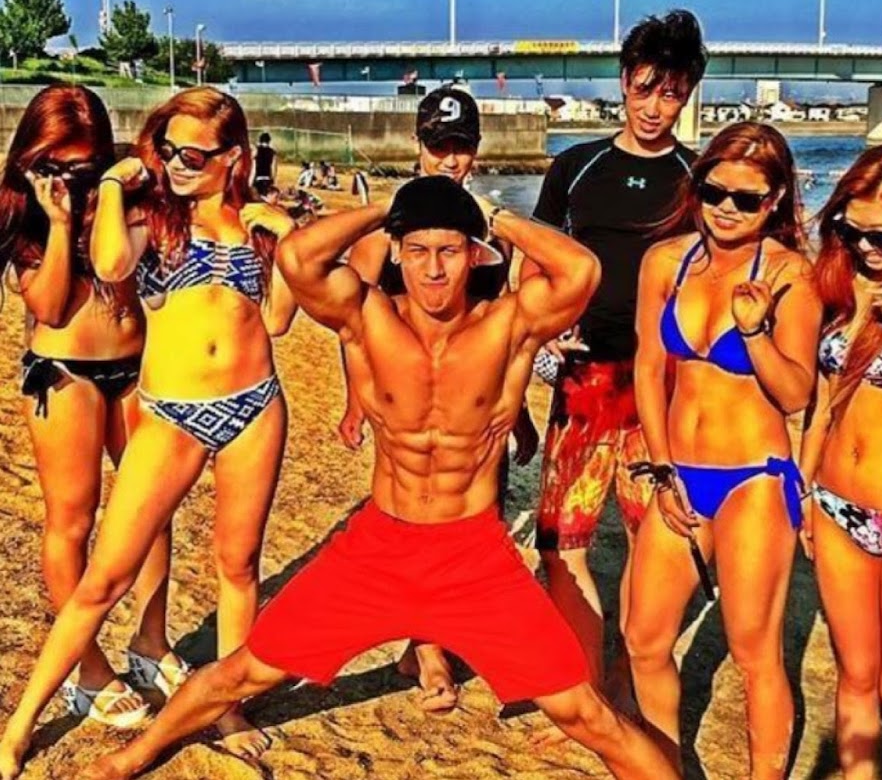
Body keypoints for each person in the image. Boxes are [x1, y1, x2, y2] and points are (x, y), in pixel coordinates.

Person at [75, 175, 678, 780]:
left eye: (449, 251)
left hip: (474, 557)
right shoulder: (367, 317)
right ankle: (132, 757)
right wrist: (391, 206)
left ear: (475, 255)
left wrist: (492, 216)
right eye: (417, 250)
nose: (433, 270)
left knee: (586, 715)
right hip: (377, 549)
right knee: (242, 672)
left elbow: (581, 270)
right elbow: (298, 256)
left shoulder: (509, 325)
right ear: (395, 251)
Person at [0, 88, 300, 776]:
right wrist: (112, 183)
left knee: (238, 566)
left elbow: (278, 319)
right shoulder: (155, 216)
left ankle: (226, 706)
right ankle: (20, 723)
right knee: (104, 574)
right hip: (171, 412)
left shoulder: (256, 225)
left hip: (255, 405)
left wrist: (285, 235)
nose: (176, 164)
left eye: (192, 154)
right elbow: (110, 265)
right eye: (167, 150)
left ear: (233, 157)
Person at [625, 122, 821, 775]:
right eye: (715, 192)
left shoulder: (790, 275)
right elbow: (648, 369)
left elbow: (795, 394)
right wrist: (661, 468)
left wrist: (755, 333)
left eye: (747, 198)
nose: (727, 209)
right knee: (644, 639)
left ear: (775, 200)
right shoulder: (666, 262)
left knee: (753, 651)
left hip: (753, 480)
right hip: (679, 472)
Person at [339, 87, 539, 712]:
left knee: (478, 520)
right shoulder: (386, 240)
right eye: (437, 146)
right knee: (418, 520)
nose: (449, 160)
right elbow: (351, 324)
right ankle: (428, 652)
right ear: (418, 145)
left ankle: (431, 639)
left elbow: (505, 331)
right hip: (406, 400)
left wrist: (519, 410)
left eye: (461, 148)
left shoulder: (492, 238)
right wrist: (356, 399)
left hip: (475, 406)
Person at [528, 10, 707, 698]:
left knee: (650, 537)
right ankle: (587, 683)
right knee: (562, 541)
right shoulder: (577, 167)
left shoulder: (699, 176)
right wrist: (543, 329)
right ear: (624, 80)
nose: (655, 107)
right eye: (644, 89)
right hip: (584, 381)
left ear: (687, 95)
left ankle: (633, 679)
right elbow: (540, 260)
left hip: (662, 386)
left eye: (672, 94)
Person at [0, 84, 175, 727]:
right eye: (54, 165)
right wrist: (57, 221)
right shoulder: (22, 207)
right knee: (72, 521)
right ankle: (89, 668)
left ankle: (151, 640)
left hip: (134, 367)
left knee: (152, 507)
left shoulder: (121, 193)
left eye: (83, 166)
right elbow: (48, 307)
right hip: (65, 373)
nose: (67, 180)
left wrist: (116, 187)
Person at [799, 145, 882, 778]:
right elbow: (821, 403)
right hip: (838, 504)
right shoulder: (840, 286)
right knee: (856, 678)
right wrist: (805, 490)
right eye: (850, 229)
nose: (864, 246)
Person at [252, 132, 277, 197]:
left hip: (258, 179)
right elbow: (274, 168)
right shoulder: (272, 152)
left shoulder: (256, 151)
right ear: (269, 141)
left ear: (260, 140)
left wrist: (251, 181)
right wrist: (273, 181)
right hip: (267, 179)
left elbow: (253, 168)